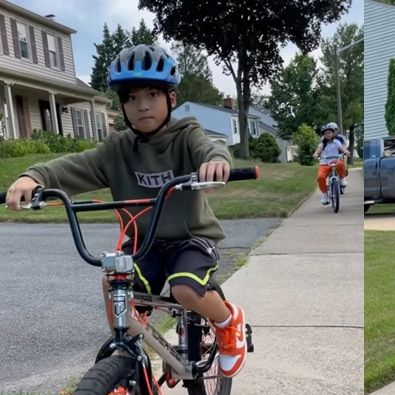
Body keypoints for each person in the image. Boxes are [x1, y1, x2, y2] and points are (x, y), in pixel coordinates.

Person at [4, 44, 247, 377]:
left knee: (185, 289)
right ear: (121, 105)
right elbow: (74, 166)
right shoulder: (116, 149)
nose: (142, 105)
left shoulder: (185, 134)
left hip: (191, 239)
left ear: (170, 100)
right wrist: (35, 175)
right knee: (113, 282)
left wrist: (216, 162)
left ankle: (227, 321)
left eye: (151, 94)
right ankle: (127, 362)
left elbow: (210, 147)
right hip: (145, 242)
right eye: (131, 98)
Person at [313, 123, 349, 205]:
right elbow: (318, 151)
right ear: (323, 135)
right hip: (325, 163)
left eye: (329, 133)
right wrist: (315, 154)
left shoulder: (336, 142)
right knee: (320, 178)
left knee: (340, 163)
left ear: (332, 133)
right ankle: (325, 194)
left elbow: (342, 149)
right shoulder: (322, 144)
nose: (328, 135)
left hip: (335, 161)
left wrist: (346, 152)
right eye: (325, 133)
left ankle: (342, 179)